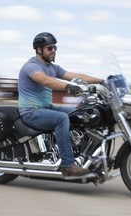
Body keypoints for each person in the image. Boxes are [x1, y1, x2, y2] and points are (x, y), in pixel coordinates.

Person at [18, 32, 103, 176]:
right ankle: (67, 165)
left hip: (46, 108)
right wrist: (69, 87)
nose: (53, 51)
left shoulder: (53, 68)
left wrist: (101, 81)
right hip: (30, 112)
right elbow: (44, 80)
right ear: (39, 50)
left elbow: (76, 76)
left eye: (55, 48)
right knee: (61, 118)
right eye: (50, 48)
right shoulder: (31, 66)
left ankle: (88, 156)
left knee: (81, 114)